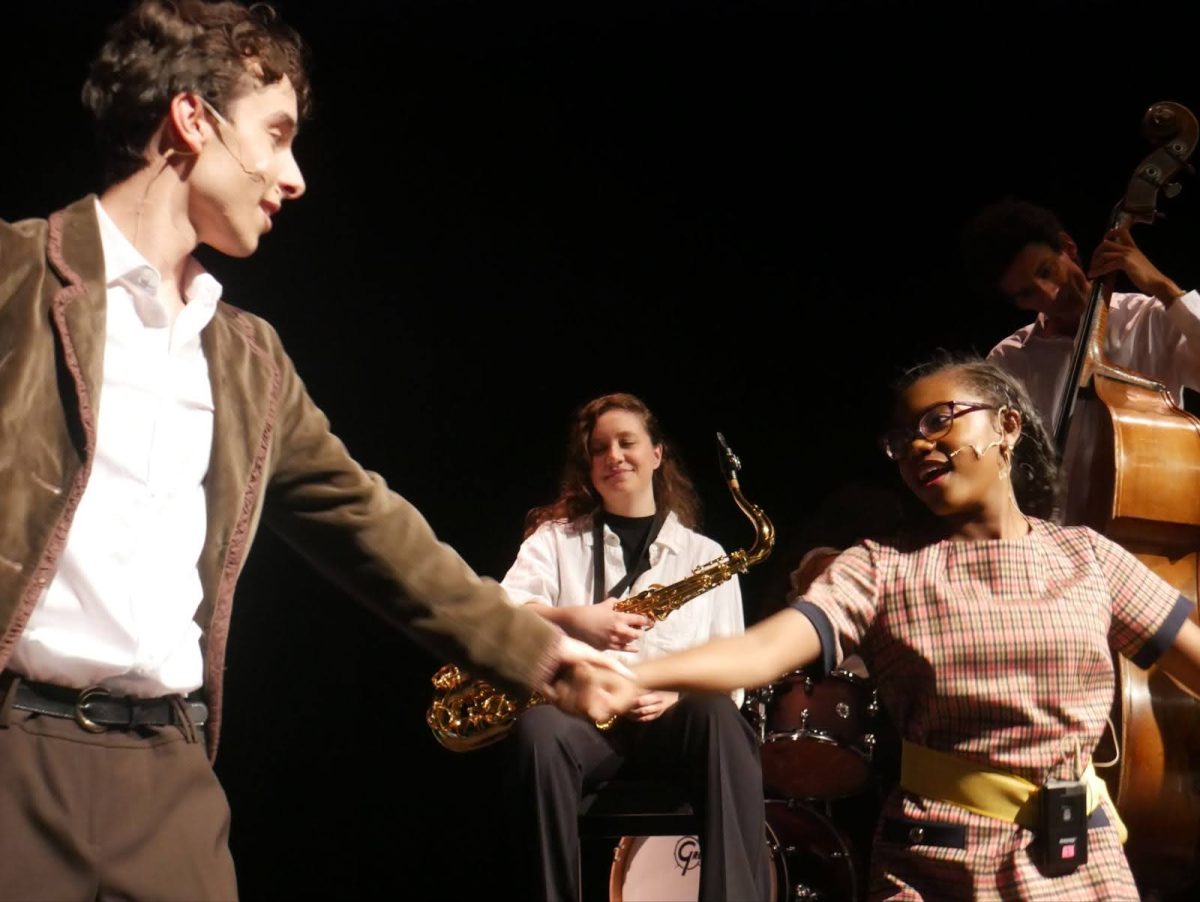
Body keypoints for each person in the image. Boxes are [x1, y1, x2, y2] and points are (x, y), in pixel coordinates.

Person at [0, 3, 627, 899]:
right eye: (277, 134)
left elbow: (368, 524)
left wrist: (535, 649)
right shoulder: (15, 276)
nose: (293, 177)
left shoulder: (247, 358)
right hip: (13, 761)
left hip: (170, 779)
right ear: (191, 118)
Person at [604, 357, 1200, 899]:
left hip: (1082, 858)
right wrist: (634, 672)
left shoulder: (1087, 556)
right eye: (902, 437)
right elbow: (764, 650)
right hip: (940, 860)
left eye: (940, 421)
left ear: (1008, 427)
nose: (918, 445)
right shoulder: (881, 566)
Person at [499, 392, 770, 902]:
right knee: (537, 730)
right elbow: (502, 615)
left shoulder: (703, 555)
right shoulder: (555, 541)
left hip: (671, 726)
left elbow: (732, 669)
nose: (613, 457)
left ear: (656, 455)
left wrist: (680, 694)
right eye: (599, 448)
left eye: (627, 443)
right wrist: (574, 618)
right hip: (584, 722)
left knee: (718, 716)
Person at [961, 197, 1200, 436]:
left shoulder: (1149, 318)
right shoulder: (1008, 361)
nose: (1050, 294)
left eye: (1047, 271)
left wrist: (1166, 289)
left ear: (1068, 247)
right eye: (1027, 294)